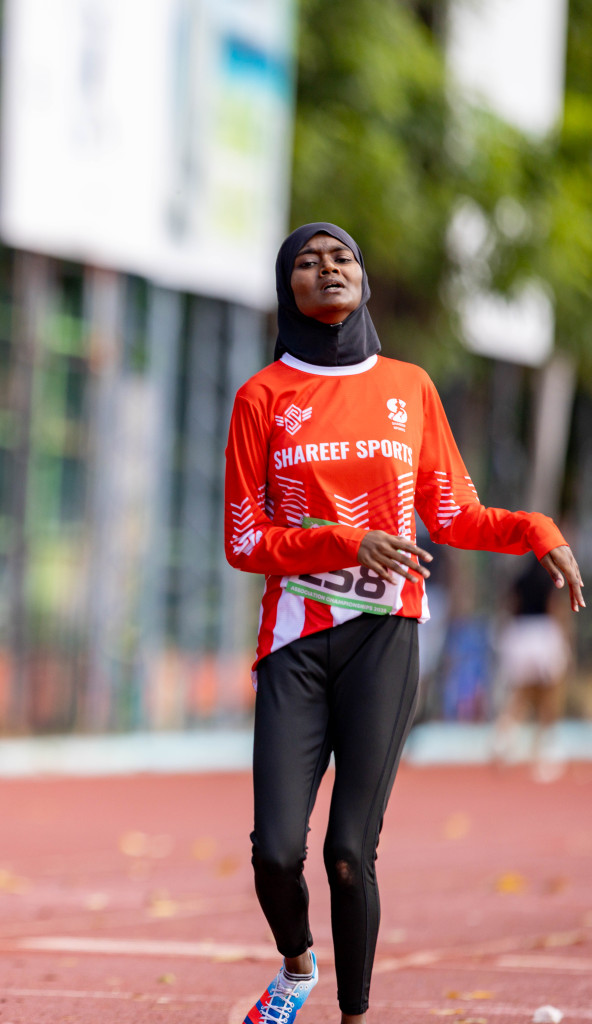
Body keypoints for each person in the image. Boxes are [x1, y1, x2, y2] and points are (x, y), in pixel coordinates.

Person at [222, 222, 584, 1024]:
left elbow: (453, 514)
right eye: (307, 262)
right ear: (289, 289)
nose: (328, 268)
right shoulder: (261, 397)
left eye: (343, 256)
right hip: (294, 645)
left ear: (365, 279)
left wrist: (534, 530)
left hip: (385, 640)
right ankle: (296, 966)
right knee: (276, 854)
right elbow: (245, 541)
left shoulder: (410, 387)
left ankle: (356, 1016)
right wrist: (347, 541)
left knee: (349, 854)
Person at [492, 558, 573, 780]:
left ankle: (504, 739)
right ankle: (547, 748)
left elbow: (511, 605)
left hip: (520, 633)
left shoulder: (519, 578)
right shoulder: (551, 578)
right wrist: (564, 638)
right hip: (544, 632)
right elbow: (553, 606)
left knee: (522, 692)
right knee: (551, 692)